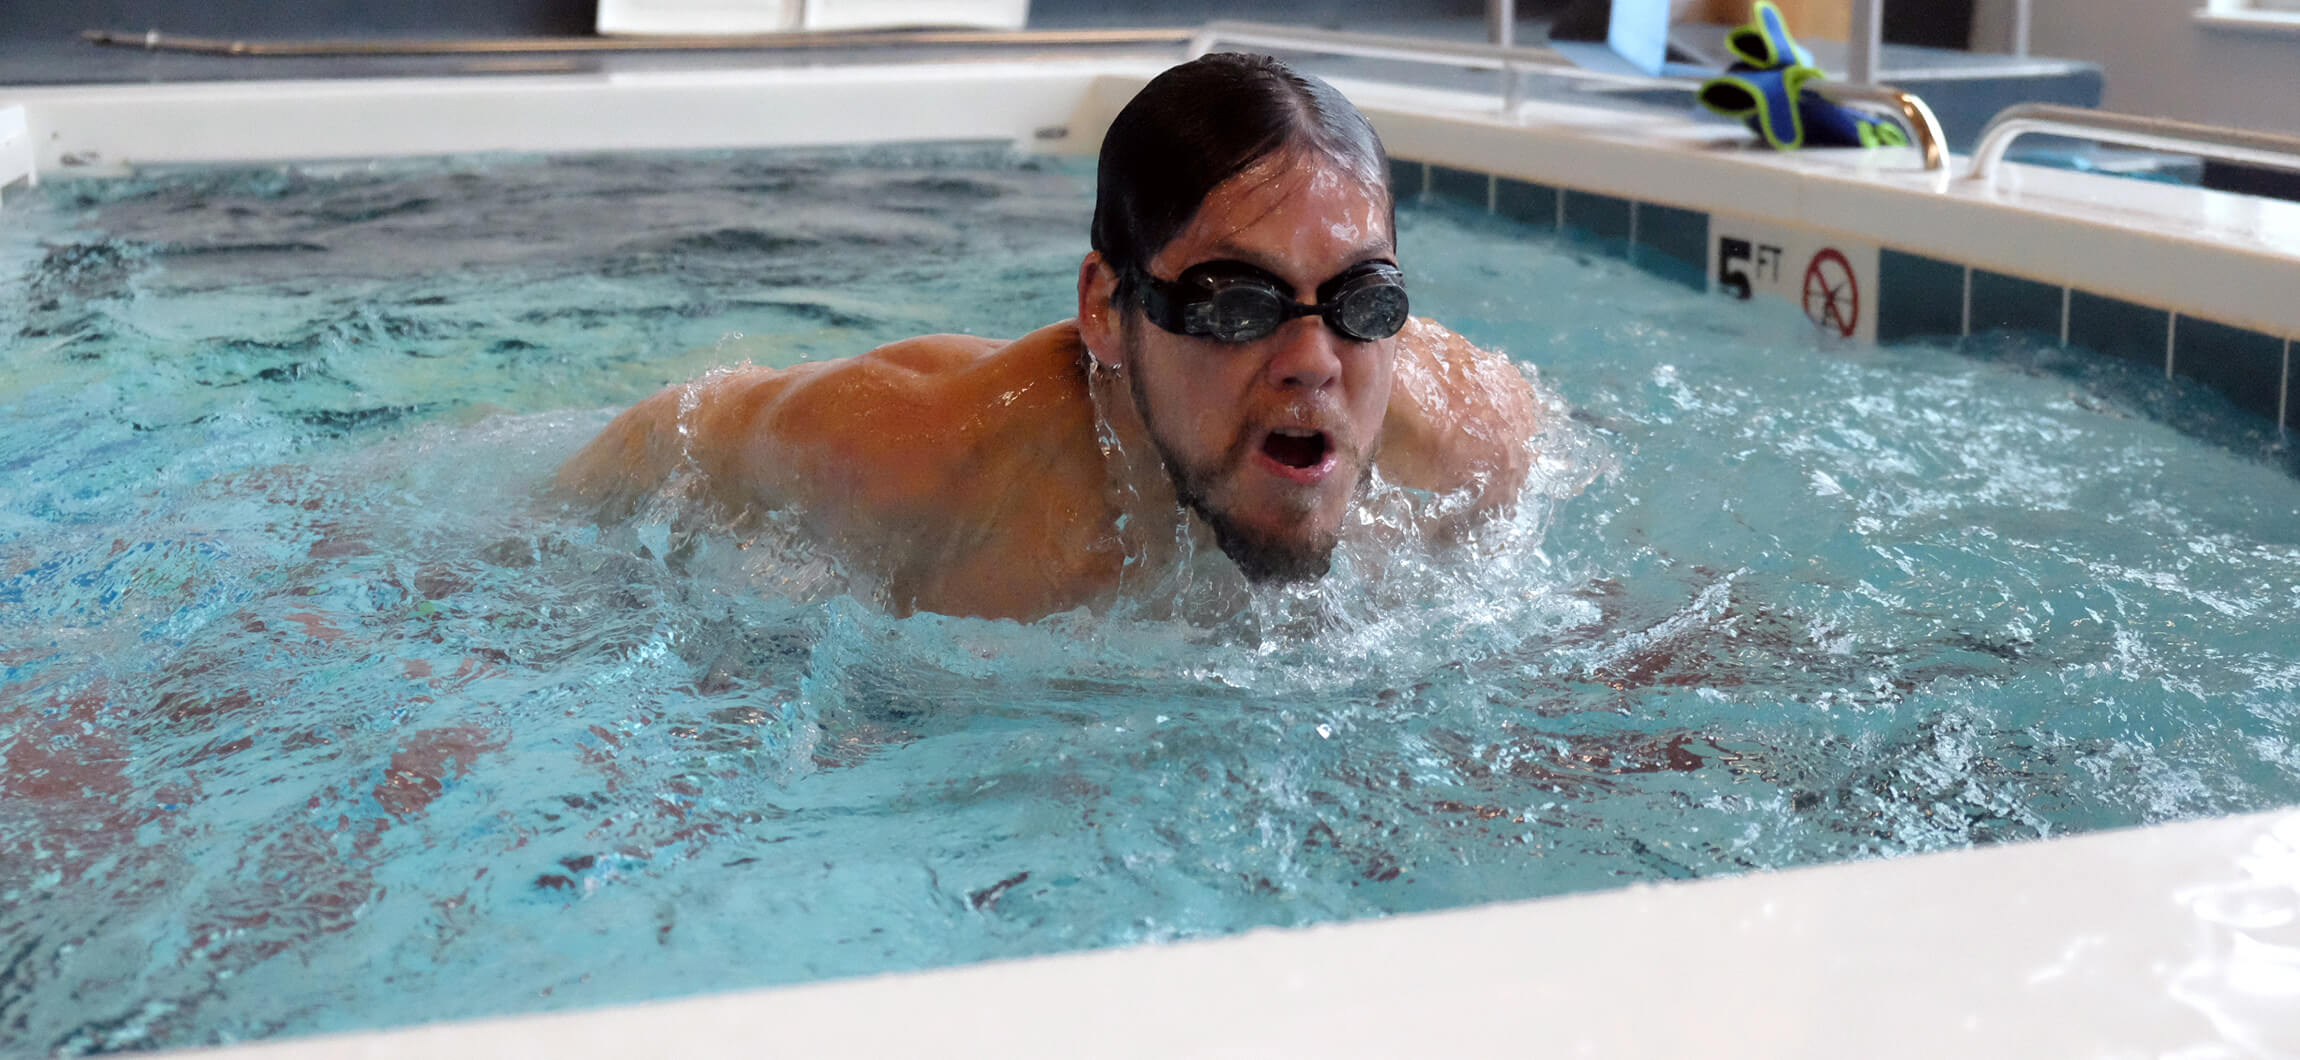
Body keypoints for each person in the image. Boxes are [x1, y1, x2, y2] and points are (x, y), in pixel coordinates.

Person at [555, 52, 1539, 621]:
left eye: (1363, 302)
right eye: (1238, 305)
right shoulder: (918, 453)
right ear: (1106, 308)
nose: (1314, 362)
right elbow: (664, 439)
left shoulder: (1464, 445)